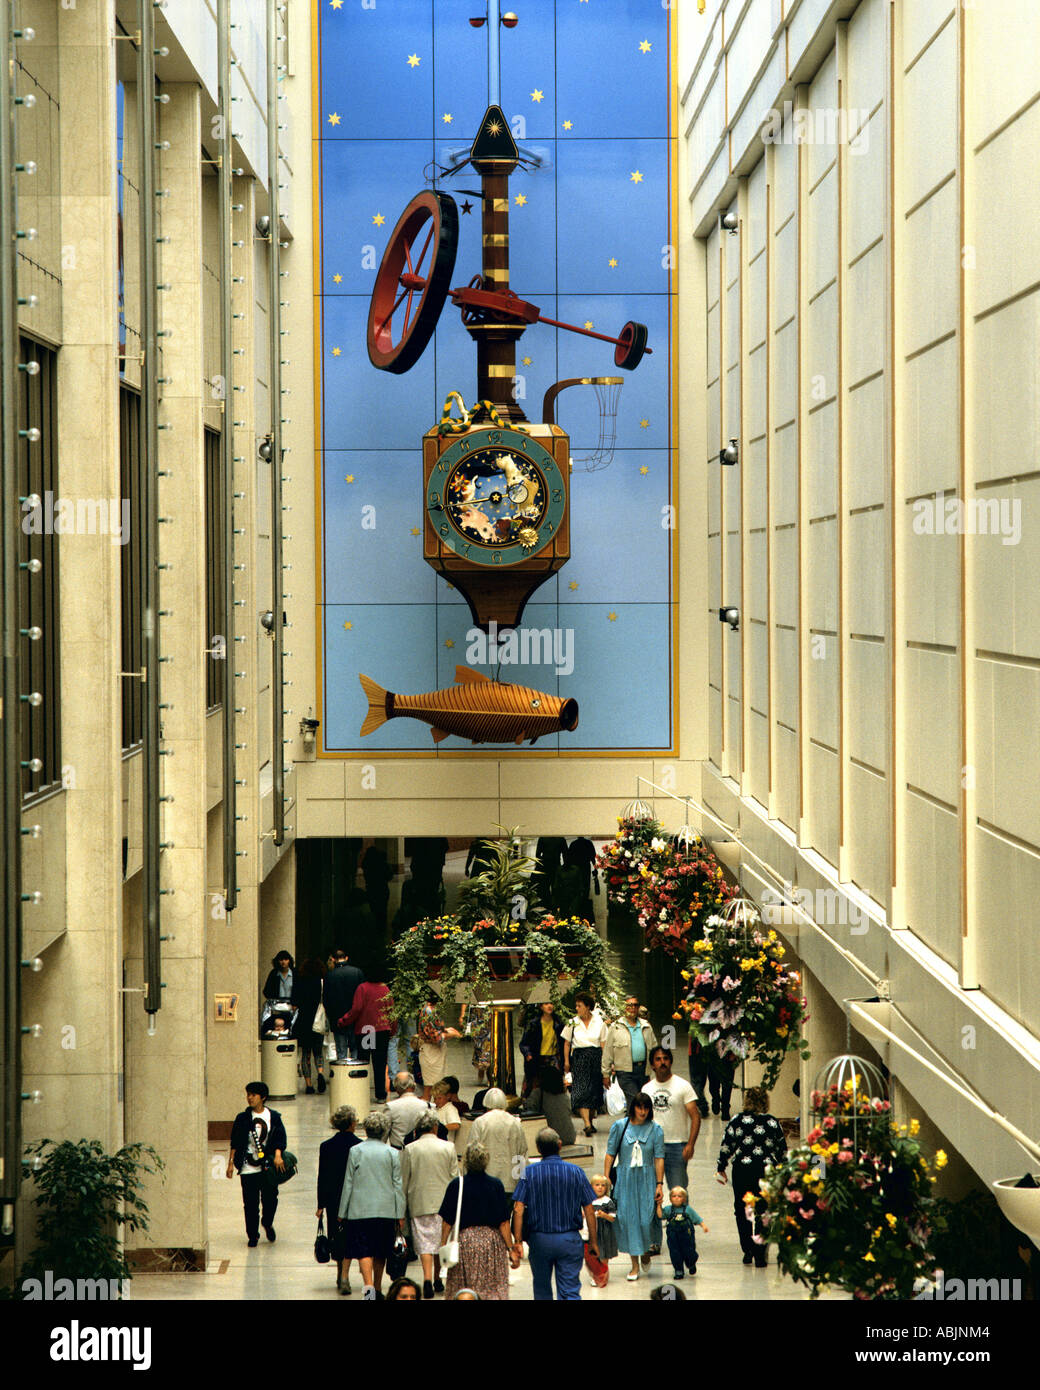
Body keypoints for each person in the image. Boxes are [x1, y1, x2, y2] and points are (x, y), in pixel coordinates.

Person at [511, 1127, 598, 1301]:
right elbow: (589, 1209)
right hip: (569, 1239)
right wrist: (594, 1241)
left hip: (539, 1240)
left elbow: (518, 1209)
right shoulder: (576, 1172)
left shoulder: (528, 1173)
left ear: (538, 1148)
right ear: (560, 1145)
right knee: (570, 1291)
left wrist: (518, 1241)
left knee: (542, 1290)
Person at [715, 1085, 787, 1267]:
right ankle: (760, 1250)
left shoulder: (736, 1121)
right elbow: (781, 1149)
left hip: (742, 1170)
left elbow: (727, 1145)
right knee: (764, 1209)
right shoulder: (772, 1122)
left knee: (742, 1208)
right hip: (765, 1171)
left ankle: (746, 1248)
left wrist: (721, 1165)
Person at [338, 1110, 406, 1297]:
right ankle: (377, 1286)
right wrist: (400, 1213)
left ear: (366, 1130)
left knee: (363, 1250)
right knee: (381, 1250)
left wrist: (342, 1211)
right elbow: (397, 1184)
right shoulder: (392, 1153)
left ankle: (368, 1288)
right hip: (385, 1210)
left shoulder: (355, 1151)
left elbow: (348, 1183)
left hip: (359, 1209)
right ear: (384, 1130)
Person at [438, 1140, 516, 1301]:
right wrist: (510, 1249)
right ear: (486, 1161)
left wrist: (443, 1245)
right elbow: (503, 1223)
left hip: (464, 1241)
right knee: (493, 1287)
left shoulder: (457, 1185)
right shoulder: (495, 1185)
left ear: (466, 1161)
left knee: (464, 1287)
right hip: (491, 1243)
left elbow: (447, 1221)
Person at [642, 1045, 700, 1250]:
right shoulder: (647, 1089)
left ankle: (683, 1233)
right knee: (652, 1194)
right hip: (652, 1148)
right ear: (652, 1064)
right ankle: (654, 1241)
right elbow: (641, 1119)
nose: (662, 1062)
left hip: (677, 1146)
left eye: (665, 1058)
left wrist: (691, 1144)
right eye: (657, 1059)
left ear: (671, 1061)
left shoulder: (683, 1086)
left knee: (678, 1193)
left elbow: (695, 1116)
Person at [606, 1092, 665, 1281]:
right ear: (633, 1108)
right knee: (628, 1220)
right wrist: (607, 1178)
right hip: (625, 1179)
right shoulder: (619, 1127)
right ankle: (633, 1265)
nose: (643, 1111)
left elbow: (659, 1158)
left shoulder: (656, 1130)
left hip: (647, 1179)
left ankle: (646, 1251)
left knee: (646, 1220)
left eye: (646, 1108)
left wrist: (659, 1184)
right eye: (639, 1107)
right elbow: (609, 1153)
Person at [399, 1110, 458, 1299]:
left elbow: (404, 1180)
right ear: (435, 1127)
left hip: (419, 1200)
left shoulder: (410, 1149)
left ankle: (425, 1279)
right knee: (440, 1241)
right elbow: (455, 1178)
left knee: (424, 1242)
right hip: (444, 1202)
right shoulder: (448, 1147)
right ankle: (438, 1278)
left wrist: (401, 1207)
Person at [226, 1081, 287, 1247]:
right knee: (250, 1204)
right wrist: (231, 1164)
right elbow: (236, 1142)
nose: (249, 1098)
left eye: (253, 1095)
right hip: (248, 1167)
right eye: (248, 1095)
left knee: (270, 1200)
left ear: (263, 1097)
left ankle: (267, 1223)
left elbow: (280, 1139)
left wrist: (278, 1155)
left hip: (267, 1167)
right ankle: (253, 1235)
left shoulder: (274, 1117)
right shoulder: (242, 1118)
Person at [316, 1104, 360, 1294]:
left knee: (337, 1234)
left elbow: (322, 1176)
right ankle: (345, 1276)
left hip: (334, 1198)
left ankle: (341, 1273)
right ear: (352, 1123)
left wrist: (320, 1204)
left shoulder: (326, 1146)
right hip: (355, 1198)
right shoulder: (359, 1146)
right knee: (351, 1235)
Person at [339, 963, 394, 1102]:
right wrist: (392, 1029)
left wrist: (344, 1020)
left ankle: (361, 1091)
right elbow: (392, 1012)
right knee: (380, 1063)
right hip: (382, 1030)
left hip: (366, 1029)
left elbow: (356, 1009)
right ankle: (381, 1094)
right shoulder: (385, 989)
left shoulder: (362, 988)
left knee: (364, 1061)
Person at [562, 991, 607, 1136]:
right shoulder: (572, 1022)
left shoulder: (599, 1022)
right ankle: (587, 1124)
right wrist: (567, 1061)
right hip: (580, 1057)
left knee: (594, 1090)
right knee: (581, 1090)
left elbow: (603, 1044)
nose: (577, 1008)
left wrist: (606, 1063)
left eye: (579, 1006)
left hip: (595, 1057)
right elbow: (567, 1043)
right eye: (576, 1006)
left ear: (587, 1007)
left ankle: (590, 1121)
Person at [468, 1088, 528, 1195]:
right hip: (510, 1183)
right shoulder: (515, 1123)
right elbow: (522, 1154)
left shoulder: (480, 1122)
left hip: (484, 1184)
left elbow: (471, 1154)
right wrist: (522, 1184)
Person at [602, 996, 657, 1105]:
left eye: (635, 1005)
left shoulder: (646, 1026)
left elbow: (655, 1048)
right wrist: (606, 1074)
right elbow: (607, 1052)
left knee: (642, 1101)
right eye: (629, 1005)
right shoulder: (616, 1027)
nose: (632, 1008)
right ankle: (632, 1121)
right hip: (624, 1071)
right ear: (624, 1008)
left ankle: (633, 1120)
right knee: (634, 1100)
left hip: (643, 1070)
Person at [657, 1184, 708, 1279]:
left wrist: (703, 1226)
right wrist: (659, 1205)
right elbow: (660, 1216)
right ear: (670, 1198)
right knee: (675, 1252)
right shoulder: (668, 1209)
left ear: (684, 1199)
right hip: (673, 1236)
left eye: (679, 1196)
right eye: (674, 1196)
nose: (676, 1198)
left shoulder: (688, 1209)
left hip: (687, 1236)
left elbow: (697, 1218)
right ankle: (678, 1270)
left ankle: (691, 1263)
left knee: (689, 1251)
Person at [323, 948, 365, 1062]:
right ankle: (355, 1075)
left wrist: (330, 1015)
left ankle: (342, 1077)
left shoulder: (329, 976)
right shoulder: (357, 972)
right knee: (355, 1049)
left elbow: (326, 999)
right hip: (355, 1017)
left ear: (333, 959)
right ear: (346, 958)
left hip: (337, 1018)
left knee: (341, 1051)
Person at [292, 957, 327, 1094]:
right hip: (317, 1019)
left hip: (304, 1020)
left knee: (306, 1053)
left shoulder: (300, 981)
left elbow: (295, 1002)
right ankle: (320, 1072)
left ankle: (308, 1085)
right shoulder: (321, 982)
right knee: (318, 1051)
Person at [519, 1001, 565, 1106]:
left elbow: (563, 1042)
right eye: (546, 1004)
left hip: (553, 1058)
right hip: (536, 1057)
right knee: (534, 1084)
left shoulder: (558, 1023)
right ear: (540, 1006)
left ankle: (552, 1106)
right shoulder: (534, 1023)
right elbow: (524, 1043)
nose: (549, 1006)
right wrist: (528, 1054)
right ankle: (531, 1105)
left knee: (554, 1084)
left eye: (551, 1003)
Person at [417, 998, 460, 1100]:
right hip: (431, 1053)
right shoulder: (429, 1011)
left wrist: (446, 1030)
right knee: (430, 1090)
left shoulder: (431, 1009)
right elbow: (436, 1038)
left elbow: (435, 1030)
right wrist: (452, 1034)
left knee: (433, 1089)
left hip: (433, 1052)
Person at [583, 1172, 618, 1287]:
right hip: (591, 1232)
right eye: (597, 1185)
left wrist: (604, 1215)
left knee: (603, 1255)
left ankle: (603, 1274)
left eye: (603, 1185)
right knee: (592, 1256)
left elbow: (613, 1218)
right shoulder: (588, 1200)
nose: (600, 1187)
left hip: (604, 1232)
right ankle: (595, 1275)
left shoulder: (607, 1201)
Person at [689, 1037, 735, 1120]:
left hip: (728, 1049)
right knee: (713, 1082)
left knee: (727, 1082)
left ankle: (725, 1108)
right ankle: (715, 1098)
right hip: (712, 1050)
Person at [386, 1072, 431, 1149]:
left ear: (397, 1089)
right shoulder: (427, 1106)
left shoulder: (390, 1107)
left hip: (399, 1151)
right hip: (421, 1150)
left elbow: (384, 1133)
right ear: (414, 1086)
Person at [432, 1081, 462, 1145]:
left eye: (439, 1098)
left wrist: (440, 1129)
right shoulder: (436, 1109)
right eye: (435, 1099)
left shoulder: (450, 1108)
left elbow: (456, 1125)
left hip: (446, 1143)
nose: (436, 1101)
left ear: (447, 1096)